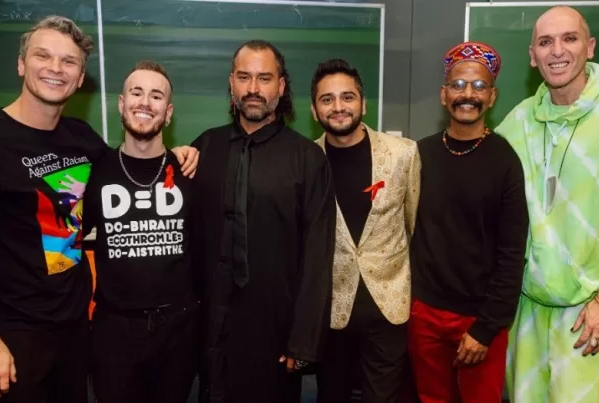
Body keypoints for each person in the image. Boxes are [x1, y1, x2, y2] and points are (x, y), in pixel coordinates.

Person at [0, 16, 197, 403]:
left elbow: (133, 163)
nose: (55, 69)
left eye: (68, 62)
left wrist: (178, 155)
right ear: (21, 64)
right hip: (15, 334)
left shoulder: (82, 140)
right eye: (43, 56)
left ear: (79, 78)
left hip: (75, 330)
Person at [495, 6, 599, 402]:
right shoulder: (518, 121)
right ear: (532, 56)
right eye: (545, 42)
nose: (557, 51)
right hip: (525, 308)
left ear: (589, 47)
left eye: (569, 39)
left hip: (587, 309)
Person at [191, 39, 336, 403]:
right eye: (244, 77)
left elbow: (319, 255)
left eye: (264, 78)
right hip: (209, 327)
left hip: (275, 334)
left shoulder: (308, 159)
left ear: (281, 86)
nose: (253, 89)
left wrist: (304, 339)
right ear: (231, 83)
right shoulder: (204, 148)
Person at [407, 41, 529, 403]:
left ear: (492, 97)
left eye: (478, 86)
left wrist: (487, 327)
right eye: (458, 85)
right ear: (444, 95)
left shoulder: (506, 161)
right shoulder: (419, 154)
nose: (468, 95)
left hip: (479, 318)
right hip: (423, 313)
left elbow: (512, 254)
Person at [83, 60, 198, 403]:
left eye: (156, 96)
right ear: (121, 103)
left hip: (179, 330)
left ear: (169, 111)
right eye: (136, 93)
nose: (145, 102)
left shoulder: (190, 171)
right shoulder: (95, 171)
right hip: (114, 331)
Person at [310, 59, 420, 403]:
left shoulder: (403, 153)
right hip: (330, 313)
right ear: (314, 111)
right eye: (327, 99)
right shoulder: (305, 160)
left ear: (363, 103)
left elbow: (413, 223)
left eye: (347, 97)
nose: (339, 107)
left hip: (388, 307)